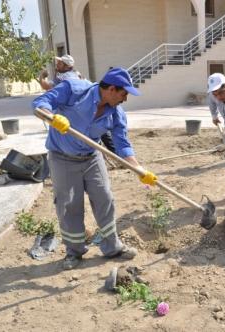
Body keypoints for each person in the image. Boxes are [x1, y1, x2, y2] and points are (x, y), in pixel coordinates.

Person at [32, 67, 157, 270]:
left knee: (104, 198)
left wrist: (139, 170)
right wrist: (52, 117)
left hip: (91, 157)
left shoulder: (116, 113)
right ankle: (74, 252)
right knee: (69, 205)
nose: (125, 99)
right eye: (124, 94)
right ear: (112, 89)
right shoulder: (74, 89)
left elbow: (122, 144)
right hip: (62, 157)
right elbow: (40, 103)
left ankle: (112, 247)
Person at [39, 55, 116, 154]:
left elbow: (46, 86)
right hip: (88, 107)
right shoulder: (76, 73)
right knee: (100, 132)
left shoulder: (63, 77)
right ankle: (115, 153)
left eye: (60, 63)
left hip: (74, 111)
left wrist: (41, 77)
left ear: (67, 66)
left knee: (78, 137)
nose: (57, 64)